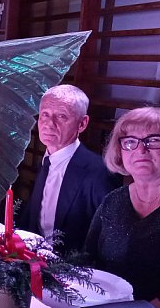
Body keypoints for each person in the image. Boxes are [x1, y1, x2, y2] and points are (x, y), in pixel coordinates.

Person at [85, 106, 160, 308]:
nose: (140, 150)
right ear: (120, 151)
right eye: (130, 142)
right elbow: (87, 259)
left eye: (153, 140)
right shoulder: (113, 201)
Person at [17, 85, 120, 254]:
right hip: (34, 255)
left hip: (71, 264)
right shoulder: (48, 159)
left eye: (61, 116)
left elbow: (109, 238)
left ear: (82, 124)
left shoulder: (98, 173)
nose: (49, 124)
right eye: (45, 114)